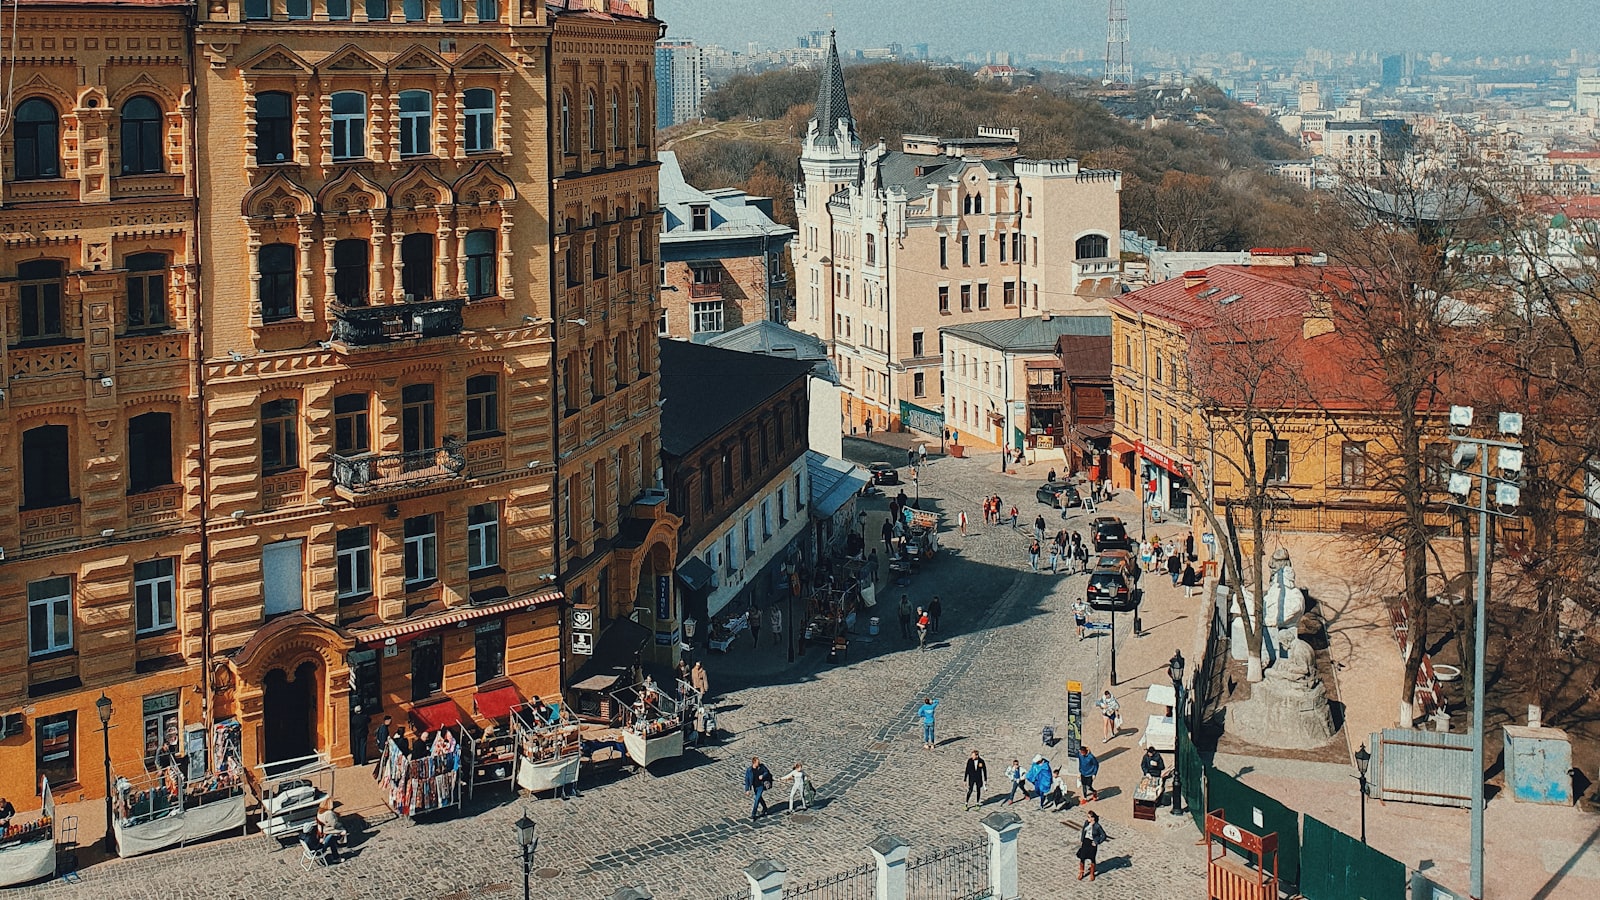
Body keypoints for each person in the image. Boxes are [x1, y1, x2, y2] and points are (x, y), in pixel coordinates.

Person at [1077, 810, 1108, 881]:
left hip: (1092, 843)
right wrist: (1082, 840)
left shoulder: (1097, 826)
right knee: (1082, 857)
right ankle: (1081, 872)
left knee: (1092, 858)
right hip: (1086, 841)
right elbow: (1083, 831)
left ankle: (1092, 873)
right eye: (1087, 817)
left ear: (1093, 818)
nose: (1088, 818)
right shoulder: (1086, 823)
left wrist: (1097, 842)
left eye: (1089, 817)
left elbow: (1103, 835)